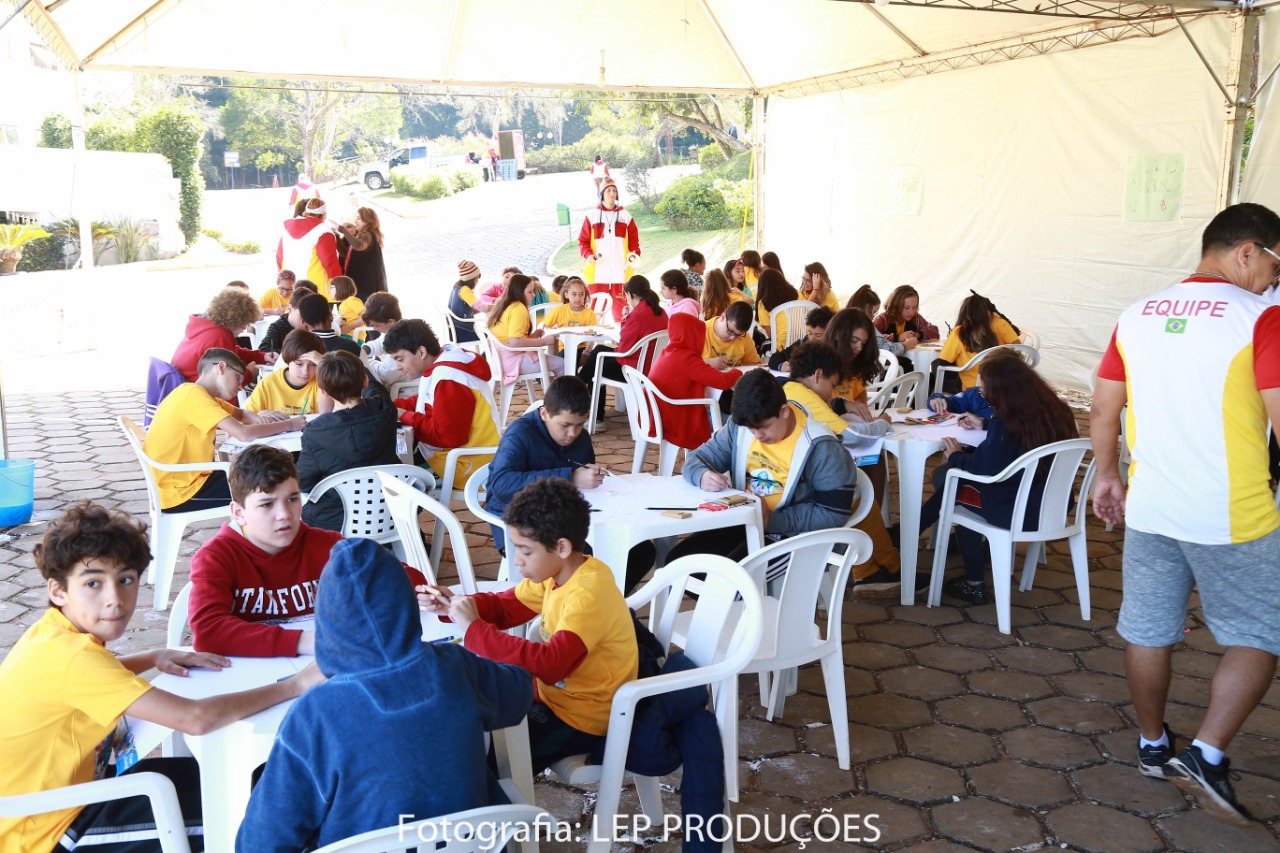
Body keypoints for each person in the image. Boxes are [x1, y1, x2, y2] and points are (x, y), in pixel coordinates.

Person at [1092, 202, 1280, 824]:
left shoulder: (1137, 314)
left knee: (1148, 629)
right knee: (1260, 633)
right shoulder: (1262, 318)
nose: (1274, 280)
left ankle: (1152, 747)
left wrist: (1108, 476)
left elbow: (1104, 409)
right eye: (1276, 265)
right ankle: (1206, 752)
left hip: (1151, 506)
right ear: (1247, 251)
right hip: (1235, 514)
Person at [0, 502, 322, 853]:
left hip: (67, 800)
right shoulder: (74, 658)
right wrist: (296, 685)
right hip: (46, 833)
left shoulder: (53, 635)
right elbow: (195, 718)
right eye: (93, 583)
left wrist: (154, 656)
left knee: (242, 782)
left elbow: (85, 678)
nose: (114, 599)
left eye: (125, 580)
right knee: (268, 817)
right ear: (58, 590)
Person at [236, 539, 534, 852]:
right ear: (407, 607)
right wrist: (480, 636)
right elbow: (520, 693)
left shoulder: (314, 714)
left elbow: (259, 843)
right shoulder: (455, 666)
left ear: (327, 623)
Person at [420, 477, 638, 773]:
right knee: (463, 717)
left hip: (582, 716)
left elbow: (551, 664)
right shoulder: (556, 573)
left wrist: (474, 629)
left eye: (525, 551)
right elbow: (506, 607)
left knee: (482, 759)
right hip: (549, 696)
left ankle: (492, 800)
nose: (517, 561)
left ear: (561, 547)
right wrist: (455, 605)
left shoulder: (587, 593)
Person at [188, 445, 429, 658]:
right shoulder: (216, 557)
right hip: (254, 675)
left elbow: (399, 575)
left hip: (324, 669)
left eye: (292, 499)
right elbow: (208, 632)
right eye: (267, 504)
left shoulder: (326, 545)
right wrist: (305, 641)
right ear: (238, 513)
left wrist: (420, 592)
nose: (284, 514)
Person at [922, 354, 1076, 605]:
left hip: (1016, 510)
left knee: (956, 486)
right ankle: (916, 529)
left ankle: (973, 583)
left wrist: (956, 455)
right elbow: (1017, 440)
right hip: (1055, 506)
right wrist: (986, 425)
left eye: (985, 391)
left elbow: (984, 469)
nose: (984, 396)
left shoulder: (1005, 421)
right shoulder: (1057, 411)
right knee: (955, 482)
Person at [666, 369, 859, 565]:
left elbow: (834, 514)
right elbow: (696, 459)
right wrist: (702, 475)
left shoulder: (823, 448)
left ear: (784, 411)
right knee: (676, 563)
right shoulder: (742, 426)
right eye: (751, 429)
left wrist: (772, 520)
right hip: (745, 522)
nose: (757, 435)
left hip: (794, 537)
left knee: (724, 577)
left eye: (763, 427)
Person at [486, 377, 658, 592]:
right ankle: (578, 603)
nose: (572, 434)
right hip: (520, 521)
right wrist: (571, 477)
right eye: (565, 425)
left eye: (579, 425)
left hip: (564, 517)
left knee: (640, 550)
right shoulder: (520, 433)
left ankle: (602, 603)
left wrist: (590, 477)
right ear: (544, 414)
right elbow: (501, 486)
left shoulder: (581, 437)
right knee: (589, 557)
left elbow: (583, 484)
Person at [781, 342, 901, 590]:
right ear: (817, 376)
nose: (831, 394)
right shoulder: (804, 397)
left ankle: (873, 568)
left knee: (856, 488)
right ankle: (886, 567)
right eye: (832, 386)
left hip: (785, 478)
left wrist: (840, 405)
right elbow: (854, 436)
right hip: (796, 490)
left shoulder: (788, 388)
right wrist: (883, 422)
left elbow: (825, 413)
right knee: (855, 493)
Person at [144, 349, 306, 514]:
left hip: (183, 482)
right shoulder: (194, 396)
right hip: (182, 492)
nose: (241, 386)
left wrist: (260, 417)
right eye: (238, 377)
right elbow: (244, 434)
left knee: (262, 474)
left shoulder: (197, 394)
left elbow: (241, 414)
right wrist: (289, 425)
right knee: (271, 484)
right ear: (221, 368)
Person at [383, 319, 500, 486]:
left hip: (469, 465)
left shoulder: (449, 377)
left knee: (395, 471)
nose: (397, 367)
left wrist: (404, 415)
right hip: (469, 456)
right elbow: (427, 400)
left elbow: (447, 436)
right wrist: (391, 406)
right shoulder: (444, 362)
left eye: (400, 359)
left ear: (421, 352)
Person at [297, 351, 401, 532]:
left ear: (324, 392)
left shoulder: (315, 432)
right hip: (389, 512)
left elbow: (304, 482)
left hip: (338, 520)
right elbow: (376, 389)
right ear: (364, 382)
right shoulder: (386, 409)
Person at [576, 275, 668, 420]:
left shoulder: (637, 315)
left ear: (630, 294)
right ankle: (578, 386)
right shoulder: (661, 312)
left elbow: (624, 349)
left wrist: (626, 319)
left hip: (634, 369)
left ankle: (590, 409)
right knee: (599, 351)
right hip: (653, 366)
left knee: (596, 364)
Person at [648, 312, 741, 449]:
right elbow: (724, 381)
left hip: (662, 415)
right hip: (680, 420)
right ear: (692, 336)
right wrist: (738, 372)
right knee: (741, 424)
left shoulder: (668, 352)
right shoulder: (686, 358)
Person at [171, 286, 272, 382]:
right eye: (245, 323)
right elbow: (227, 382)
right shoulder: (219, 336)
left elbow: (230, 353)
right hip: (198, 389)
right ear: (236, 320)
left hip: (183, 386)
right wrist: (250, 374)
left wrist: (261, 357)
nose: (244, 328)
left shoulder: (204, 326)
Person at [578, 177, 641, 323]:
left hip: (621, 274)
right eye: (608, 191)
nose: (612, 194)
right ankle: (591, 338)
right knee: (593, 316)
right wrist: (588, 254)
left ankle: (622, 338)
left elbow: (634, 242)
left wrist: (634, 255)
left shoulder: (626, 216)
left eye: (614, 190)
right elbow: (582, 242)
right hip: (597, 274)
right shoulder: (592, 216)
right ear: (602, 194)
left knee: (623, 317)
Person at [486, 273, 566, 381]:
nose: (534, 295)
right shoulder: (519, 309)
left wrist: (533, 335)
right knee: (563, 364)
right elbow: (515, 342)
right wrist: (543, 341)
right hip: (512, 362)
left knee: (551, 365)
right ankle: (562, 392)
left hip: (499, 361)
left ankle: (551, 391)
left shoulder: (505, 305)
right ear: (519, 292)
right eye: (530, 291)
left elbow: (512, 339)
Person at [937, 293, 1022, 389]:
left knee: (933, 378)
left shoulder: (959, 332)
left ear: (964, 313)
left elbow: (944, 361)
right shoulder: (993, 331)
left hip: (971, 389)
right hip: (997, 386)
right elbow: (1019, 348)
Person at [244, 329, 327, 417]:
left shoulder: (322, 381)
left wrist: (325, 365)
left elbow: (330, 413)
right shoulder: (269, 383)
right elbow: (247, 417)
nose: (305, 371)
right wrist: (259, 415)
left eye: (313, 364)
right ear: (287, 360)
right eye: (299, 364)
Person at [277, 197, 342, 294]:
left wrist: (282, 279)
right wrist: (339, 281)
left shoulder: (287, 227)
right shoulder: (324, 230)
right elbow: (329, 260)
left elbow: (279, 257)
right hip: (315, 286)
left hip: (291, 285)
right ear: (324, 214)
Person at [359, 292, 408, 385]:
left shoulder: (401, 340)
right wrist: (365, 350)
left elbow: (386, 374)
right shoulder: (393, 331)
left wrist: (366, 362)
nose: (374, 328)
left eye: (376, 325)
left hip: (404, 388)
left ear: (390, 321)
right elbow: (379, 344)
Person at [339, 206, 387, 301]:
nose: (355, 221)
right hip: (359, 285)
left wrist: (342, 229)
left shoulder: (369, 235)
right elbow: (345, 253)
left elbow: (358, 245)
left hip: (365, 288)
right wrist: (336, 236)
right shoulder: (361, 236)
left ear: (368, 220)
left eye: (359, 218)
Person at [847, 284, 906, 358]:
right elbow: (886, 348)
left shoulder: (843, 319)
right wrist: (905, 345)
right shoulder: (865, 324)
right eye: (873, 312)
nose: (873, 317)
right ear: (865, 307)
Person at [260, 281, 319, 354]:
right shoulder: (277, 327)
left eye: (310, 316)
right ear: (289, 309)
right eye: (302, 315)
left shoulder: (315, 325)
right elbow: (264, 349)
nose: (307, 321)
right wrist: (298, 354)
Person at [769, 305, 834, 371]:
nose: (812, 339)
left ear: (831, 334)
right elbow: (775, 357)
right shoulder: (804, 343)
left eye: (818, 336)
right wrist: (781, 365)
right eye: (810, 333)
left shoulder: (836, 349)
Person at [874, 284, 939, 345]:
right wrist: (898, 337)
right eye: (906, 308)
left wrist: (919, 334)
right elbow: (871, 336)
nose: (911, 312)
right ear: (896, 306)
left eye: (914, 307)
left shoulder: (915, 318)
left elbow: (934, 331)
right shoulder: (883, 319)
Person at [702, 301, 759, 369]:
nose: (732, 338)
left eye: (738, 335)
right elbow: (689, 365)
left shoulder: (745, 337)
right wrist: (706, 363)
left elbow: (754, 364)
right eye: (730, 331)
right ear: (723, 317)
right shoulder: (700, 331)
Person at [755, 268, 800, 345]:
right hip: (806, 338)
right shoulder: (796, 293)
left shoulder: (762, 304)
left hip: (784, 345)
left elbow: (771, 335)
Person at [449, 259, 482, 343]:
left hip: (453, 331)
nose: (477, 282)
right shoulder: (465, 290)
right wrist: (495, 307)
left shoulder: (456, 288)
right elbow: (481, 307)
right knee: (491, 336)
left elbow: (464, 310)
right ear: (471, 279)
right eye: (476, 279)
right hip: (462, 333)